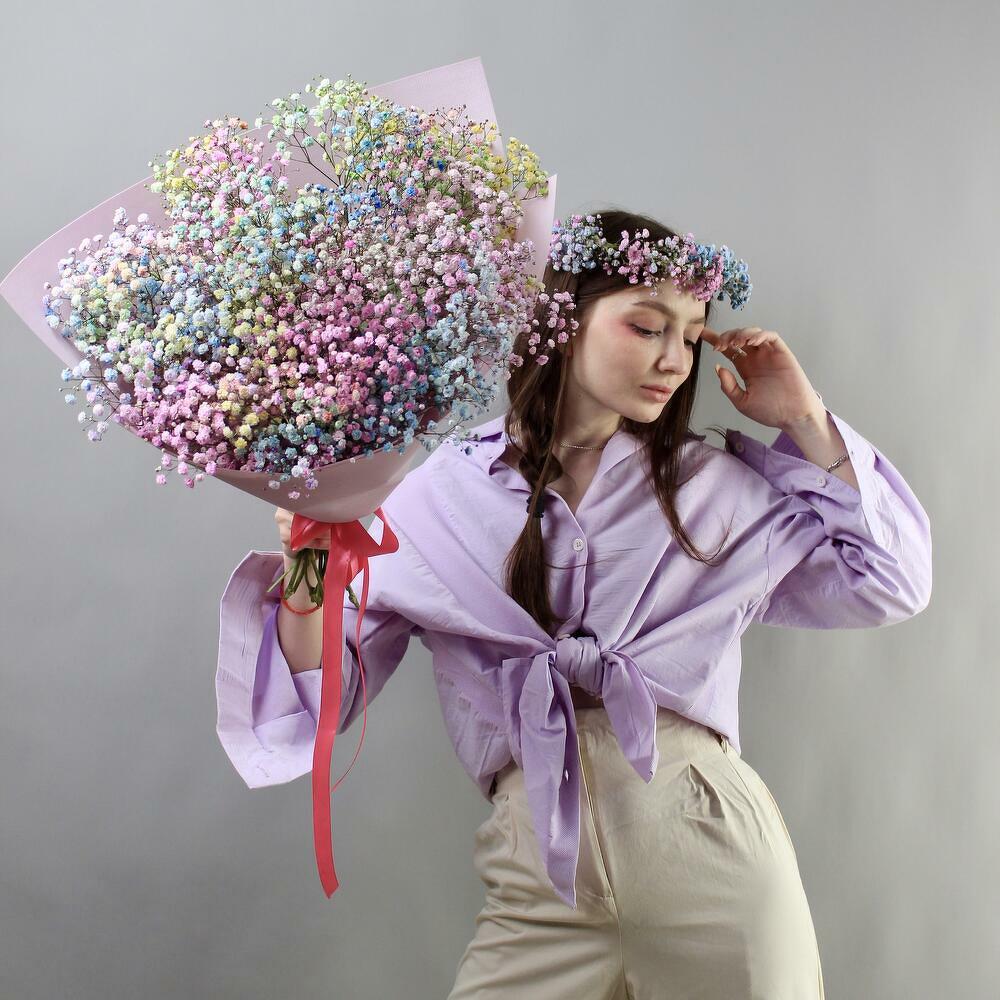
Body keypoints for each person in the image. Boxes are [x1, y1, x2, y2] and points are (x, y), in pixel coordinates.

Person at [215, 209, 932, 999]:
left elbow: (890, 579)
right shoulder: (431, 498)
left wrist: (805, 418)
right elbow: (312, 703)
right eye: (647, 327)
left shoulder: (714, 487)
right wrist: (310, 565)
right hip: (539, 880)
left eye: (691, 336)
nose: (674, 359)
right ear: (560, 320)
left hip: (713, 858)